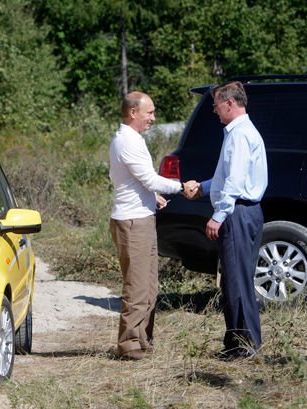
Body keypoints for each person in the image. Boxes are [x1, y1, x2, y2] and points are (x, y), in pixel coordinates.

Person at [109, 91, 197, 360]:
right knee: (136, 287)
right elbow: (150, 178)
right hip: (132, 222)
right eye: (149, 112)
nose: (153, 118)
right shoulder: (127, 141)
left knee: (149, 286)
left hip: (142, 217)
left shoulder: (132, 139)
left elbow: (133, 180)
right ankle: (129, 345)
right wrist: (181, 187)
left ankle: (144, 339)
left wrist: (152, 196)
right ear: (133, 112)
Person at [190, 81, 267, 360]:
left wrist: (218, 216)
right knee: (235, 281)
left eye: (216, 104)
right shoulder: (239, 132)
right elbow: (229, 176)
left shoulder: (239, 135)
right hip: (242, 211)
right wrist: (206, 187)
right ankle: (237, 342)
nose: (214, 110)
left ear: (230, 104)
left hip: (238, 213)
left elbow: (234, 182)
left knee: (237, 281)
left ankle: (244, 346)